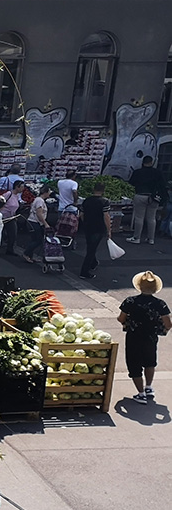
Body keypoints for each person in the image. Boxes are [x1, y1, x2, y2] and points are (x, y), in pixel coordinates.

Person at [117, 271, 171, 404]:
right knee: (150, 362)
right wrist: (161, 329)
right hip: (150, 338)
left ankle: (140, 394)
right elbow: (168, 324)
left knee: (134, 364)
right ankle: (148, 387)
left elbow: (121, 318)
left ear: (139, 286)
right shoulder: (160, 304)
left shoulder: (130, 301)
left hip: (133, 337)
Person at [126, 155, 167, 245]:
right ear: (151, 162)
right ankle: (151, 239)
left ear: (143, 162)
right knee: (151, 218)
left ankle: (137, 237)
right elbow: (163, 185)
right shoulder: (158, 172)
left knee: (139, 217)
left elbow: (131, 183)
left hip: (140, 195)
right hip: (154, 197)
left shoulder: (137, 172)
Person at [79, 181, 111, 279]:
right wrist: (109, 230)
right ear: (103, 190)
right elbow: (106, 216)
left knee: (90, 245)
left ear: (94, 189)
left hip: (88, 226)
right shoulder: (104, 202)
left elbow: (81, 214)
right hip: (98, 227)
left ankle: (93, 263)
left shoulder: (87, 200)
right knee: (91, 250)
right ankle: (84, 271)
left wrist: (85, 222)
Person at [23, 186, 52, 263]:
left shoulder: (38, 200)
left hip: (33, 222)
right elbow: (39, 214)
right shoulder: (40, 201)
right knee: (38, 240)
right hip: (34, 222)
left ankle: (30, 256)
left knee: (34, 239)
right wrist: (45, 224)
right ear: (45, 192)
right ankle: (26, 253)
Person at [0, 179, 25, 255]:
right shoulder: (8, 194)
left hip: (11, 218)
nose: (22, 189)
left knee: (13, 234)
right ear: (17, 187)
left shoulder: (17, 196)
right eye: (21, 187)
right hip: (3, 217)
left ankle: (10, 249)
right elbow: (0, 202)